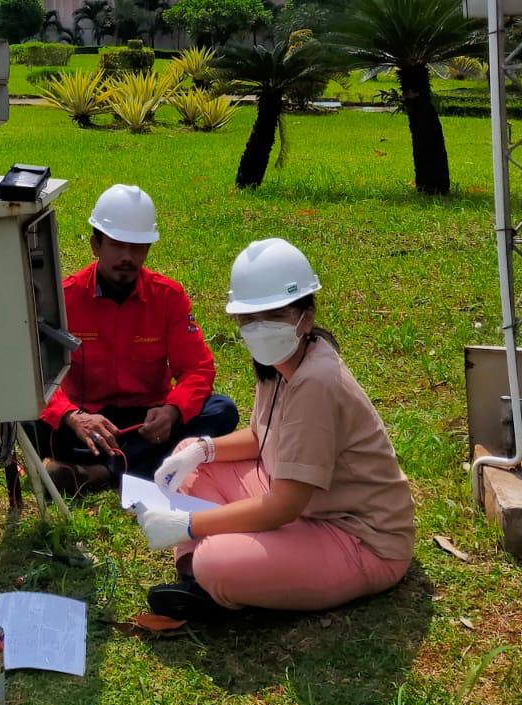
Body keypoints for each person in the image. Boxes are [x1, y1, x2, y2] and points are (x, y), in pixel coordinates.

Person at [133, 237, 414, 621]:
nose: (260, 329)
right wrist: (203, 449)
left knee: (216, 561)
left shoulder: (316, 381)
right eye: (250, 320)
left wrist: (190, 523)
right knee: (190, 457)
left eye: (274, 315)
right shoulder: (281, 366)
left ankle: (216, 576)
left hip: (359, 538)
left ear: (306, 317)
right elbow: (260, 437)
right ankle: (203, 577)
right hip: (306, 506)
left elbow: (285, 505)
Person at [37, 184, 239, 493]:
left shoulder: (168, 297)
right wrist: (71, 416)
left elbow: (199, 369)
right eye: (117, 245)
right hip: (84, 422)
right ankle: (138, 467)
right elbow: (38, 373)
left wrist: (172, 411)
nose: (127, 257)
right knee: (24, 421)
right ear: (95, 244)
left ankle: (100, 473)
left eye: (137, 247)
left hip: (146, 421)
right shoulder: (64, 298)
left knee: (222, 411)